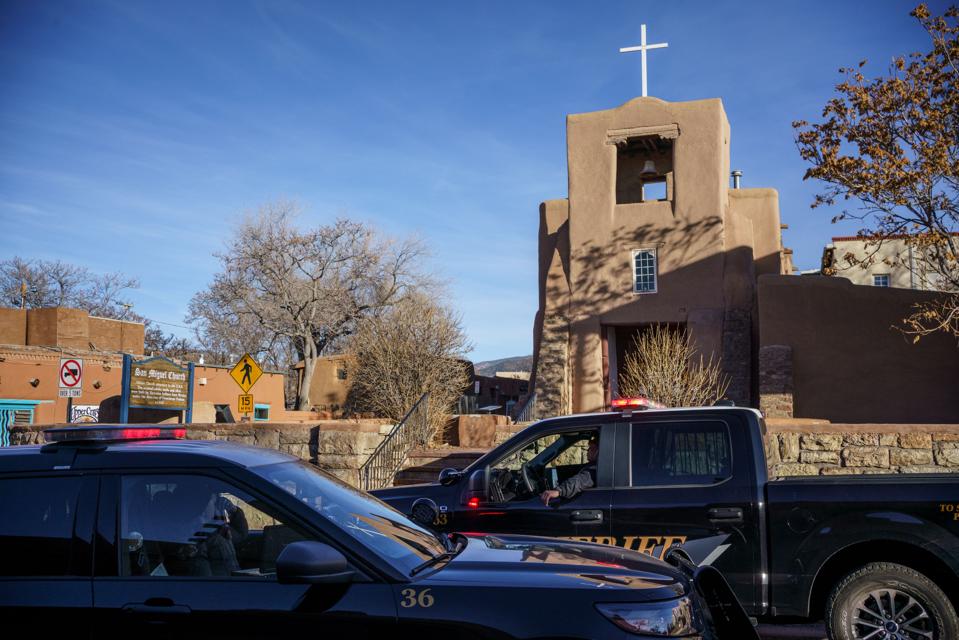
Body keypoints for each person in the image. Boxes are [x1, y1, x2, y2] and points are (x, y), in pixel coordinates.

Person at [540, 433, 598, 505]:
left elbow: (580, 481)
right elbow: (572, 470)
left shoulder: (595, 469)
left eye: (592, 448)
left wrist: (559, 491)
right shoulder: (592, 465)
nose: (588, 450)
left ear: (599, 452)